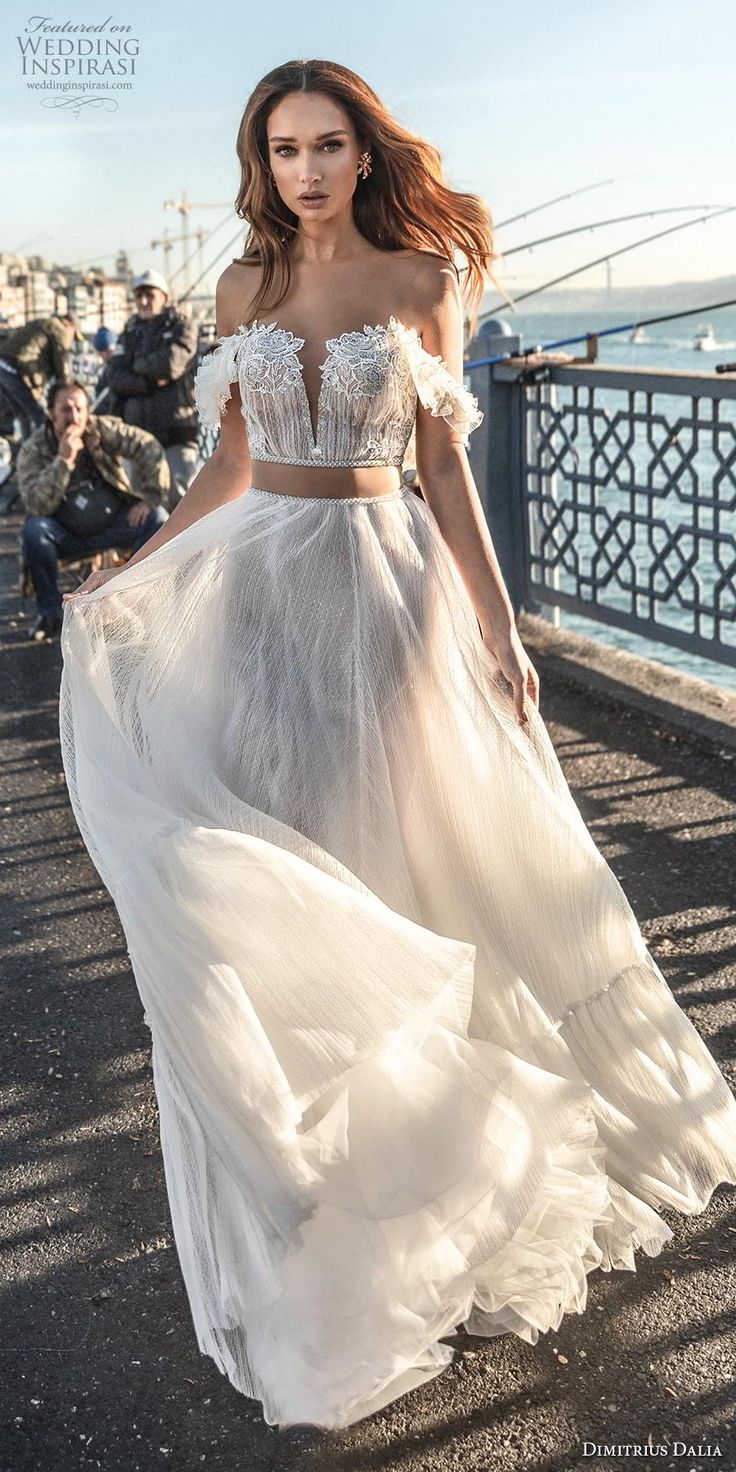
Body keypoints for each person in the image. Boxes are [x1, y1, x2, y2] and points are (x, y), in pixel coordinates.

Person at [58, 60, 736, 1434]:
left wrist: (499, 627)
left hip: (388, 594)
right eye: (283, 148)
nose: (306, 169)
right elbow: (228, 470)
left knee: (409, 862)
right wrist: (133, 567)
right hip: (261, 592)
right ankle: (327, 1173)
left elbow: (441, 472)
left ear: (365, 155)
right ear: (266, 160)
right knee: (279, 866)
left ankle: (457, 1167)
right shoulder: (241, 292)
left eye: (327, 146)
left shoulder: (426, 282)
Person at [18, 380, 170, 640]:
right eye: (66, 410)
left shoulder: (99, 429)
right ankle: (50, 612)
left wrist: (150, 496)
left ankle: (137, 601)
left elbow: (147, 446)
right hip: (66, 534)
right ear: (51, 412)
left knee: (157, 518)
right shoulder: (34, 448)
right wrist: (63, 460)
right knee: (34, 531)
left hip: (112, 526)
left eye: (79, 409)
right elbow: (36, 505)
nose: (74, 417)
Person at [106, 270, 200, 508]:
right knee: (140, 502)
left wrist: (136, 364)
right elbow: (114, 376)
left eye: (150, 295)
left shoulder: (183, 325)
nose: (144, 301)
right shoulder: (130, 332)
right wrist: (149, 381)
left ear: (164, 296)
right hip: (138, 434)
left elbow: (170, 365)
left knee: (180, 500)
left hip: (176, 430)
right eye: (139, 296)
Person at [0, 312, 79, 440]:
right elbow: (61, 360)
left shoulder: (43, 323)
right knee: (39, 414)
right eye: (74, 336)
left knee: (22, 414)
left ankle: (25, 450)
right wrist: (67, 388)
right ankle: (44, 447)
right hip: (15, 368)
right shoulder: (59, 329)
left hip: (4, 365)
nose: (71, 341)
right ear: (69, 325)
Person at [91, 325, 119, 414]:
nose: (105, 355)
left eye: (109, 351)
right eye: (101, 352)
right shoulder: (101, 370)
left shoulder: (118, 367)